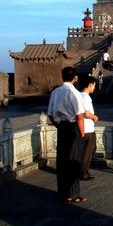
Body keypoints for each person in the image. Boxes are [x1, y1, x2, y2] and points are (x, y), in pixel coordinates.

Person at [47, 67, 87, 203]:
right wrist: (82, 133)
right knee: (74, 161)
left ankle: (63, 192)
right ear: (74, 78)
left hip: (62, 127)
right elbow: (79, 116)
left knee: (62, 161)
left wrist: (59, 126)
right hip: (73, 127)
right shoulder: (74, 93)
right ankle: (73, 194)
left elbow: (50, 115)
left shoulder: (55, 92)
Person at [79, 75, 98, 181]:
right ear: (89, 85)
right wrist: (94, 117)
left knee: (85, 151)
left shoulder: (78, 95)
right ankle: (83, 173)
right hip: (87, 128)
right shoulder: (86, 97)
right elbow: (86, 113)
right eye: (94, 85)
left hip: (81, 127)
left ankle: (81, 171)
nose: (94, 88)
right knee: (89, 150)